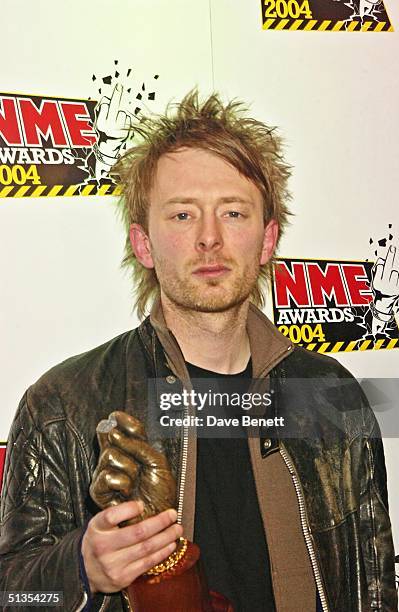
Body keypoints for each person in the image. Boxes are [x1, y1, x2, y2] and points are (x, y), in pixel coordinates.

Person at [0, 91, 397, 612]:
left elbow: (374, 589)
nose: (210, 238)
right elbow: (15, 592)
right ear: (143, 244)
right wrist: (82, 568)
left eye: (233, 212)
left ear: (267, 239)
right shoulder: (64, 404)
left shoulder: (330, 397)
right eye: (183, 215)